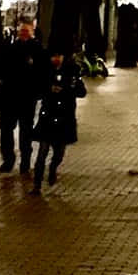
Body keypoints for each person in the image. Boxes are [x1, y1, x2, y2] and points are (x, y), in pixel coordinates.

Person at [29, 49, 87, 194]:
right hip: (48, 116)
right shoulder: (45, 73)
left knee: (59, 152)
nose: (55, 59)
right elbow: (36, 90)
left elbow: (81, 92)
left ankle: (53, 168)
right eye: (53, 56)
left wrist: (67, 89)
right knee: (42, 152)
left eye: (58, 56)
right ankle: (37, 184)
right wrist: (49, 89)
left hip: (64, 117)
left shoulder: (72, 73)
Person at [0, 21, 45, 174]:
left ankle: (25, 160)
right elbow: (2, 68)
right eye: (22, 30)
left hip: (26, 96)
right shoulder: (9, 48)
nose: (23, 33)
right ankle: (8, 159)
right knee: (6, 129)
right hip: (10, 96)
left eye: (26, 30)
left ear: (31, 32)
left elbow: (40, 72)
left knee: (26, 130)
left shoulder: (37, 49)